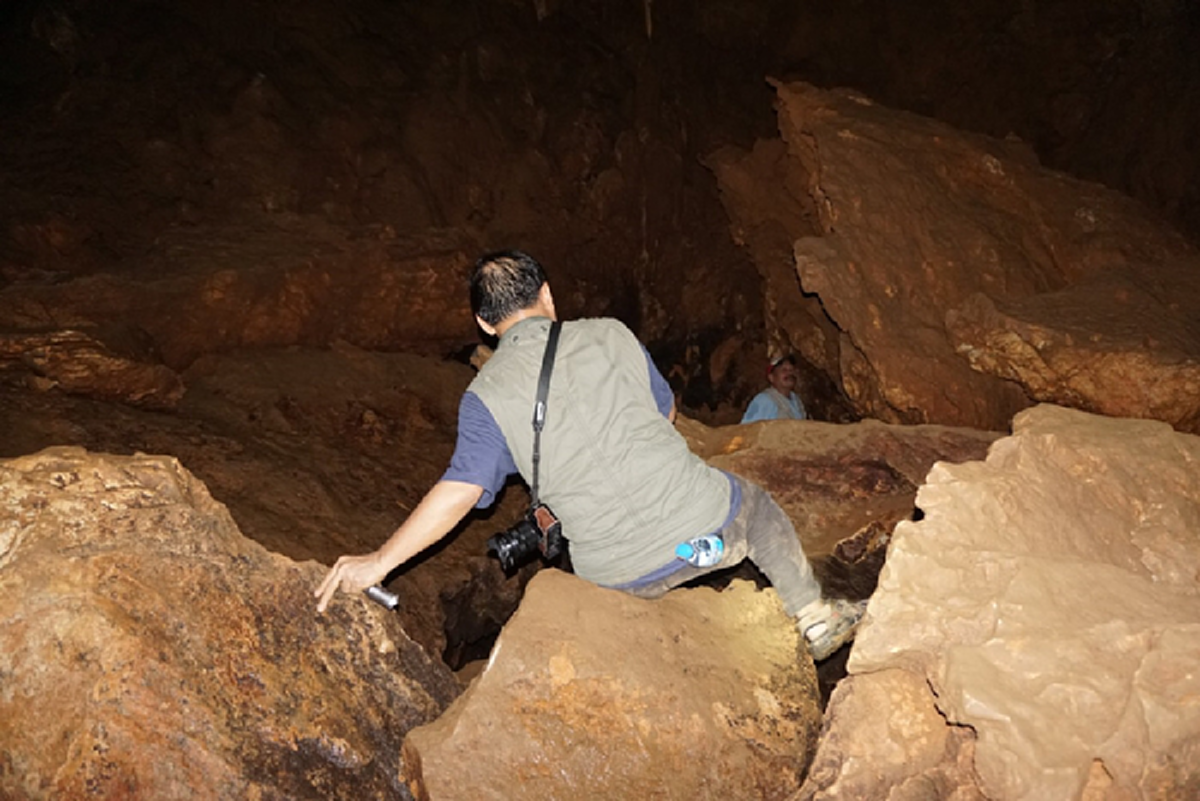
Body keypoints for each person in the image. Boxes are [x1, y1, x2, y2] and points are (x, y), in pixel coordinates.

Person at [314, 250, 864, 660]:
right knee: (757, 507)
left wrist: (379, 562)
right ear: (547, 296)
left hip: (618, 575)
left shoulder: (483, 397)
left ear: (485, 323)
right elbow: (665, 411)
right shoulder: (610, 334)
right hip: (708, 526)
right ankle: (811, 614)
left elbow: (460, 490)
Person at [741, 354, 807, 424]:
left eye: (791, 370)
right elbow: (747, 429)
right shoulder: (765, 400)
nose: (789, 373)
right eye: (784, 370)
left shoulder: (797, 401)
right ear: (771, 377)